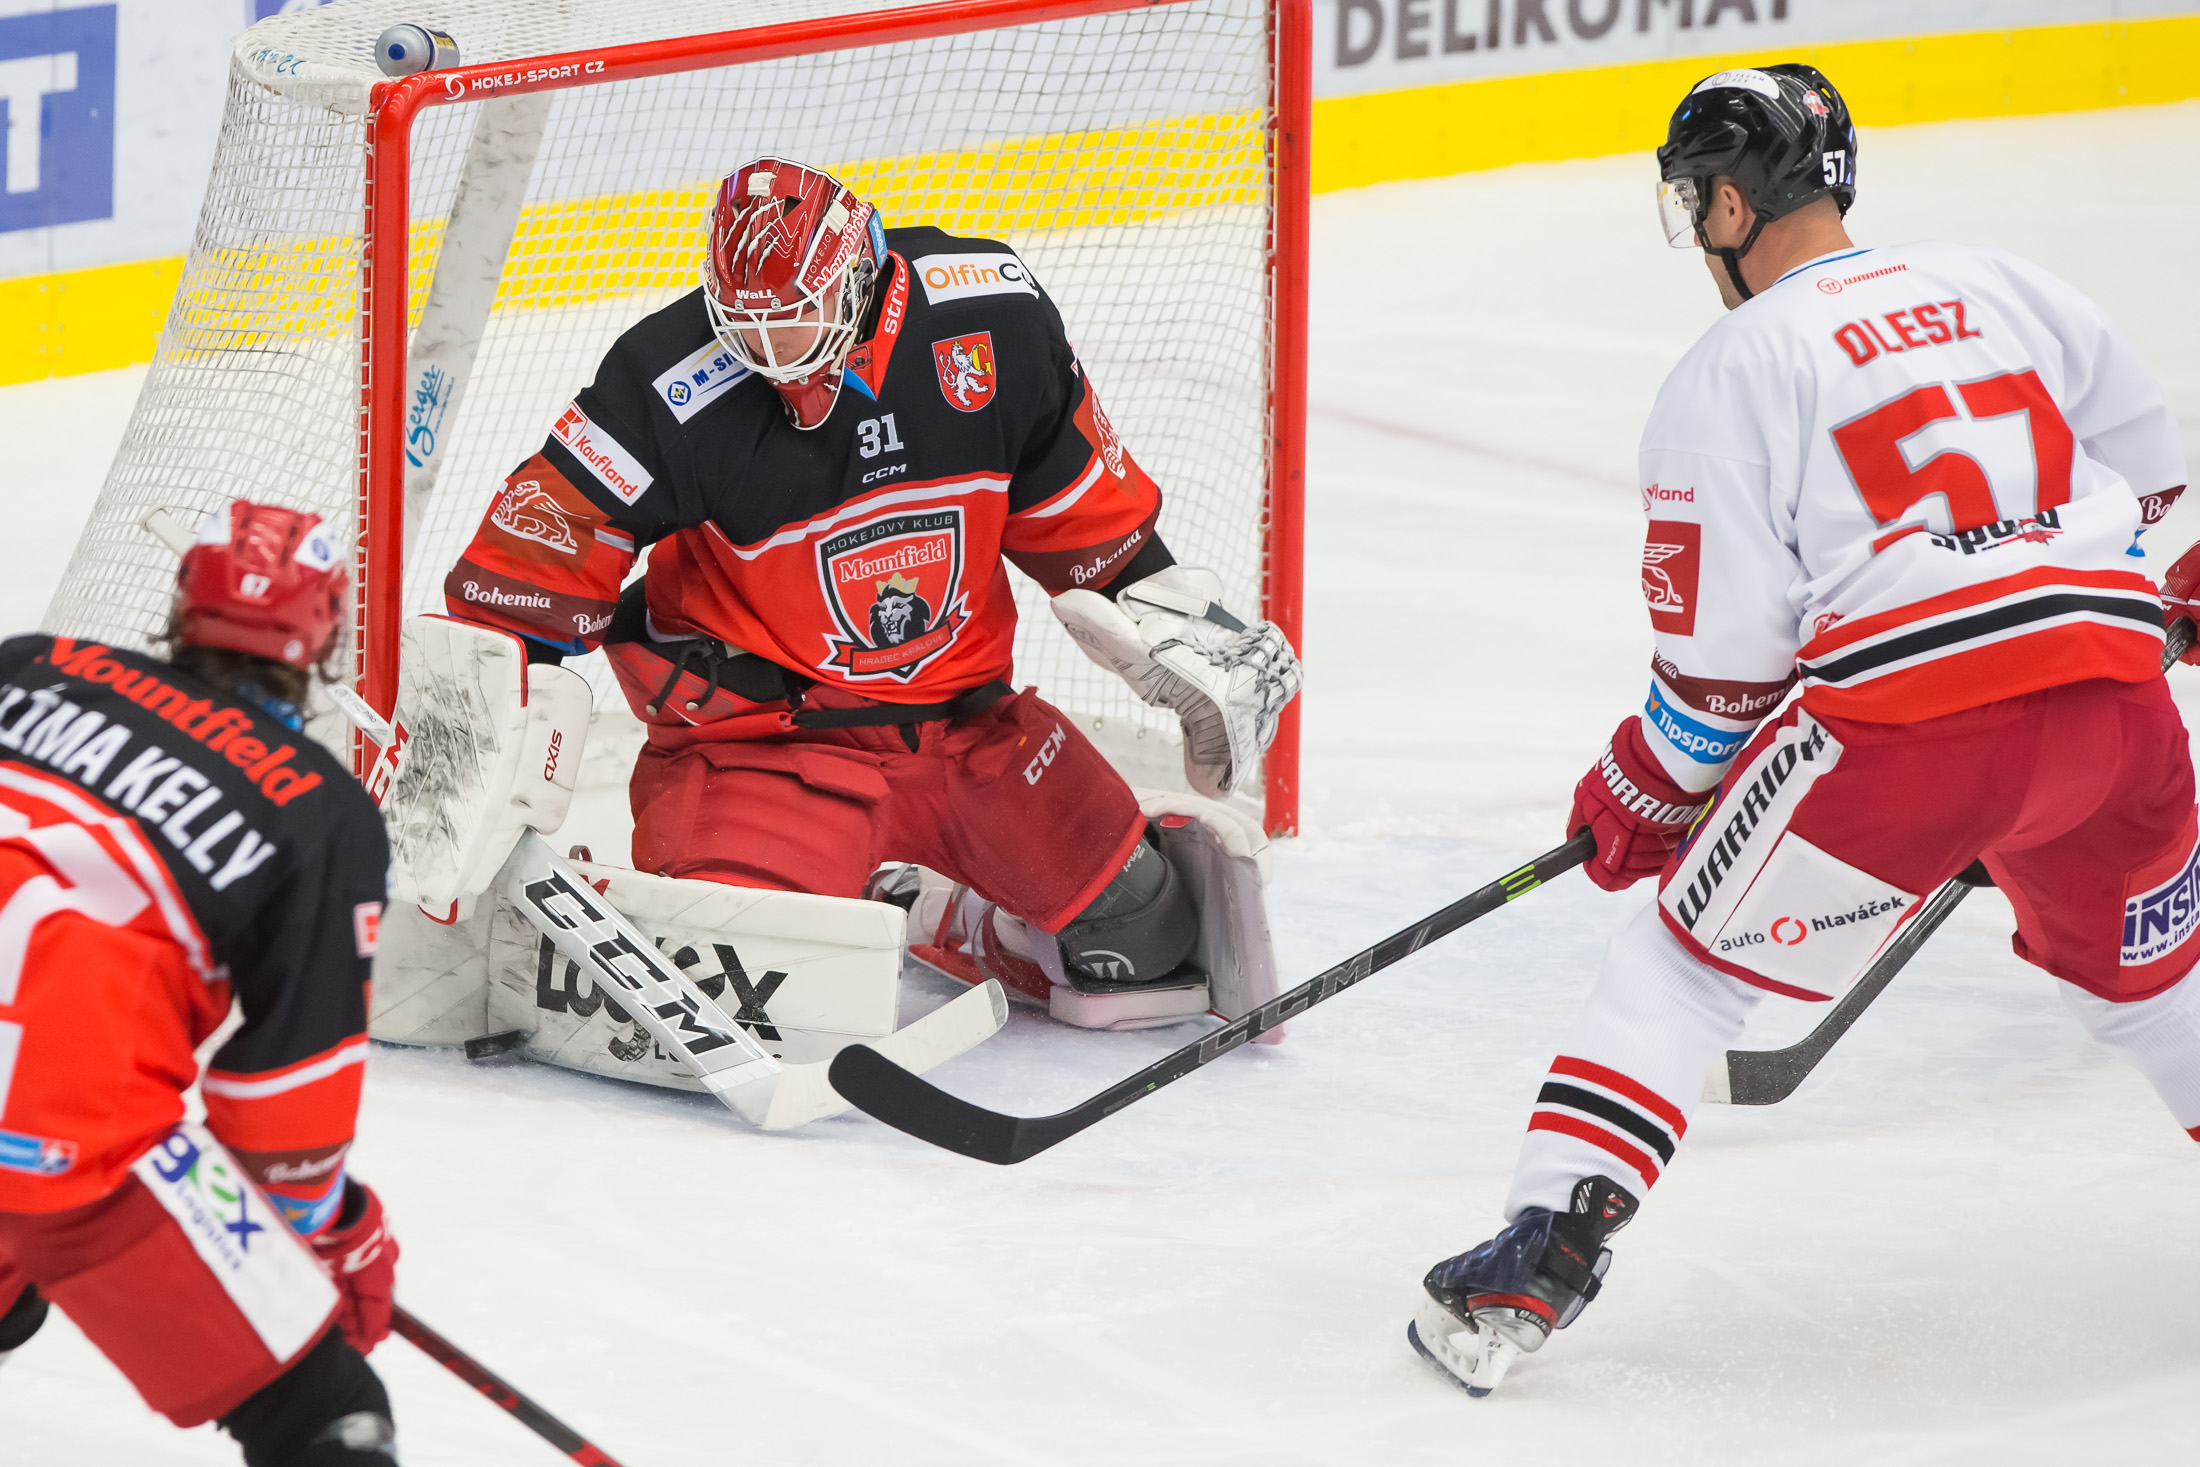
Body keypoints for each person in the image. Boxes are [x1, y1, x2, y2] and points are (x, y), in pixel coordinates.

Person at [1409, 64, 2197, 1397]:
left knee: (1679, 971)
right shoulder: (2004, 282)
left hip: (1905, 740)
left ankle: (1534, 1259)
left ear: (1729, 205)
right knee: (2167, 985)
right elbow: (2150, 479)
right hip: (2117, 710)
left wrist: (1643, 787)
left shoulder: (1730, 365)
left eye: (1695, 202)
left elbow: (1722, 678)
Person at [430, 155, 1301, 1027]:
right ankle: (809, 890)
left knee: (1142, 938)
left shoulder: (993, 319)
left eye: (796, 318)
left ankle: (944, 913)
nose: (773, 354)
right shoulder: (668, 381)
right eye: (748, 327)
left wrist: (1183, 630)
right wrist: (472, 759)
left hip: (963, 729)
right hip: (767, 752)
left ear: (859, 275)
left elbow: (1090, 529)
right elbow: (524, 574)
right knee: (747, 986)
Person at [0, 502, 401, 1462]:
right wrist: (325, 1231)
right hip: (63, 1141)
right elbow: (288, 1093)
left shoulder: (24, 666)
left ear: (183, 609)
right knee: (328, 1419)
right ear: (325, 637)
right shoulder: (318, 807)